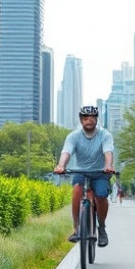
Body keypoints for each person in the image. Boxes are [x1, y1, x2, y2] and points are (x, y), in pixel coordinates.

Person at [54, 105, 115, 247]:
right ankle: (77, 229)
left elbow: (108, 152)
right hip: (80, 171)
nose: (89, 121)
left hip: (100, 172)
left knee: (100, 195)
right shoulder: (73, 136)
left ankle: (102, 228)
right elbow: (66, 152)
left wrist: (108, 166)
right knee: (76, 191)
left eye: (92, 118)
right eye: (86, 118)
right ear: (81, 120)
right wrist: (61, 165)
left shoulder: (105, 135)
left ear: (96, 119)